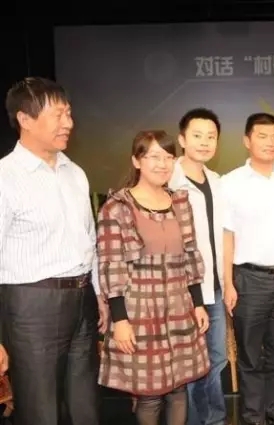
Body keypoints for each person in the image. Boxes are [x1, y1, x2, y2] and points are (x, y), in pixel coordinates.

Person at [0, 77, 107, 425]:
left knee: (86, 407)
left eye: (69, 113)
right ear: (25, 119)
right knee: (40, 410)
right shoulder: (5, 177)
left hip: (82, 300)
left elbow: (89, 241)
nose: (68, 123)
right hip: (32, 306)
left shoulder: (75, 173)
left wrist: (98, 294)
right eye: (58, 115)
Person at [97, 130, 210, 425]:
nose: (163, 164)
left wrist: (198, 303)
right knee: (149, 394)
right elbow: (111, 264)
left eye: (168, 157)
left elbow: (190, 255)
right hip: (139, 310)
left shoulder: (180, 203)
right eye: (154, 157)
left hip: (179, 305)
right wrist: (120, 320)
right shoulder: (117, 207)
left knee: (179, 388)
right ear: (137, 161)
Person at [222, 113, 274, 425]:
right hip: (249, 280)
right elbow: (227, 236)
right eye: (262, 136)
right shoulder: (230, 183)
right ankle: (253, 414)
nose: (270, 142)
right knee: (250, 355)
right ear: (247, 140)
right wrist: (228, 282)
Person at [169, 108, 228, 425]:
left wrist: (228, 283)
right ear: (182, 139)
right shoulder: (169, 181)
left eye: (211, 136)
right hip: (183, 292)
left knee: (216, 359)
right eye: (197, 135)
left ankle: (215, 419)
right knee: (190, 365)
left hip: (214, 288)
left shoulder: (217, 182)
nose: (204, 142)